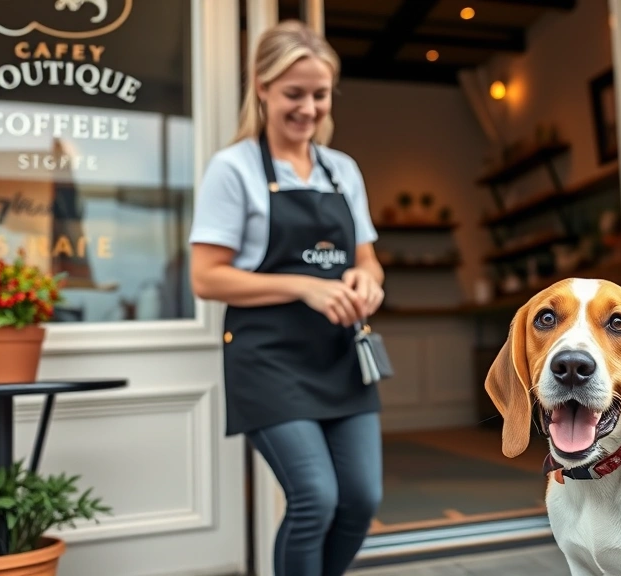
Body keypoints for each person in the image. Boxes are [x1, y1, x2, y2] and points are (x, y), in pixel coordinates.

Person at [188, 20, 384, 576]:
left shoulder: (341, 170)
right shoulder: (234, 170)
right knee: (315, 499)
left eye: (319, 94)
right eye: (293, 94)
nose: (308, 108)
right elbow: (206, 278)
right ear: (263, 88)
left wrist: (368, 282)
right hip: (268, 358)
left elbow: (367, 257)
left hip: (341, 357)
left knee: (361, 500)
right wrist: (303, 286)